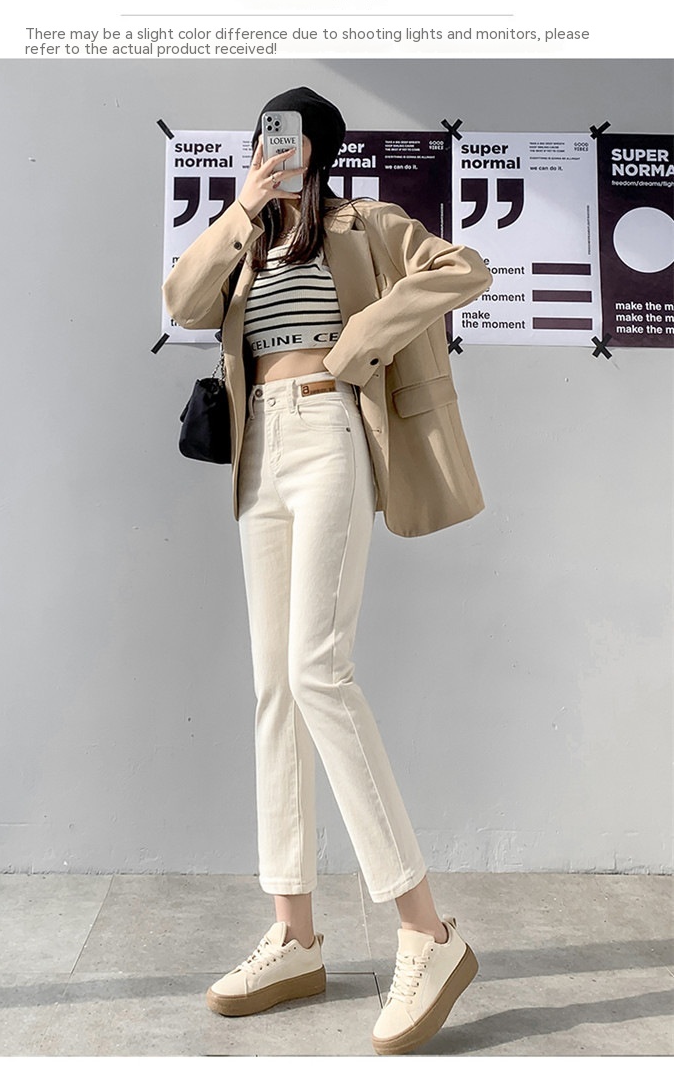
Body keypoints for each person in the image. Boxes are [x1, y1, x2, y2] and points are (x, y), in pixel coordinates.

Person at [162, 87, 493, 1056]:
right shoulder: (246, 237)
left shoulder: (368, 223)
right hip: (258, 453)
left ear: (320, 150)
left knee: (318, 669)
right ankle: (296, 934)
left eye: (291, 139)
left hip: (329, 435)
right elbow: (181, 303)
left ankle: (426, 930)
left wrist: (358, 343)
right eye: (265, 138)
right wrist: (241, 209)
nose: (276, 151)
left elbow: (463, 267)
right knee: (275, 688)